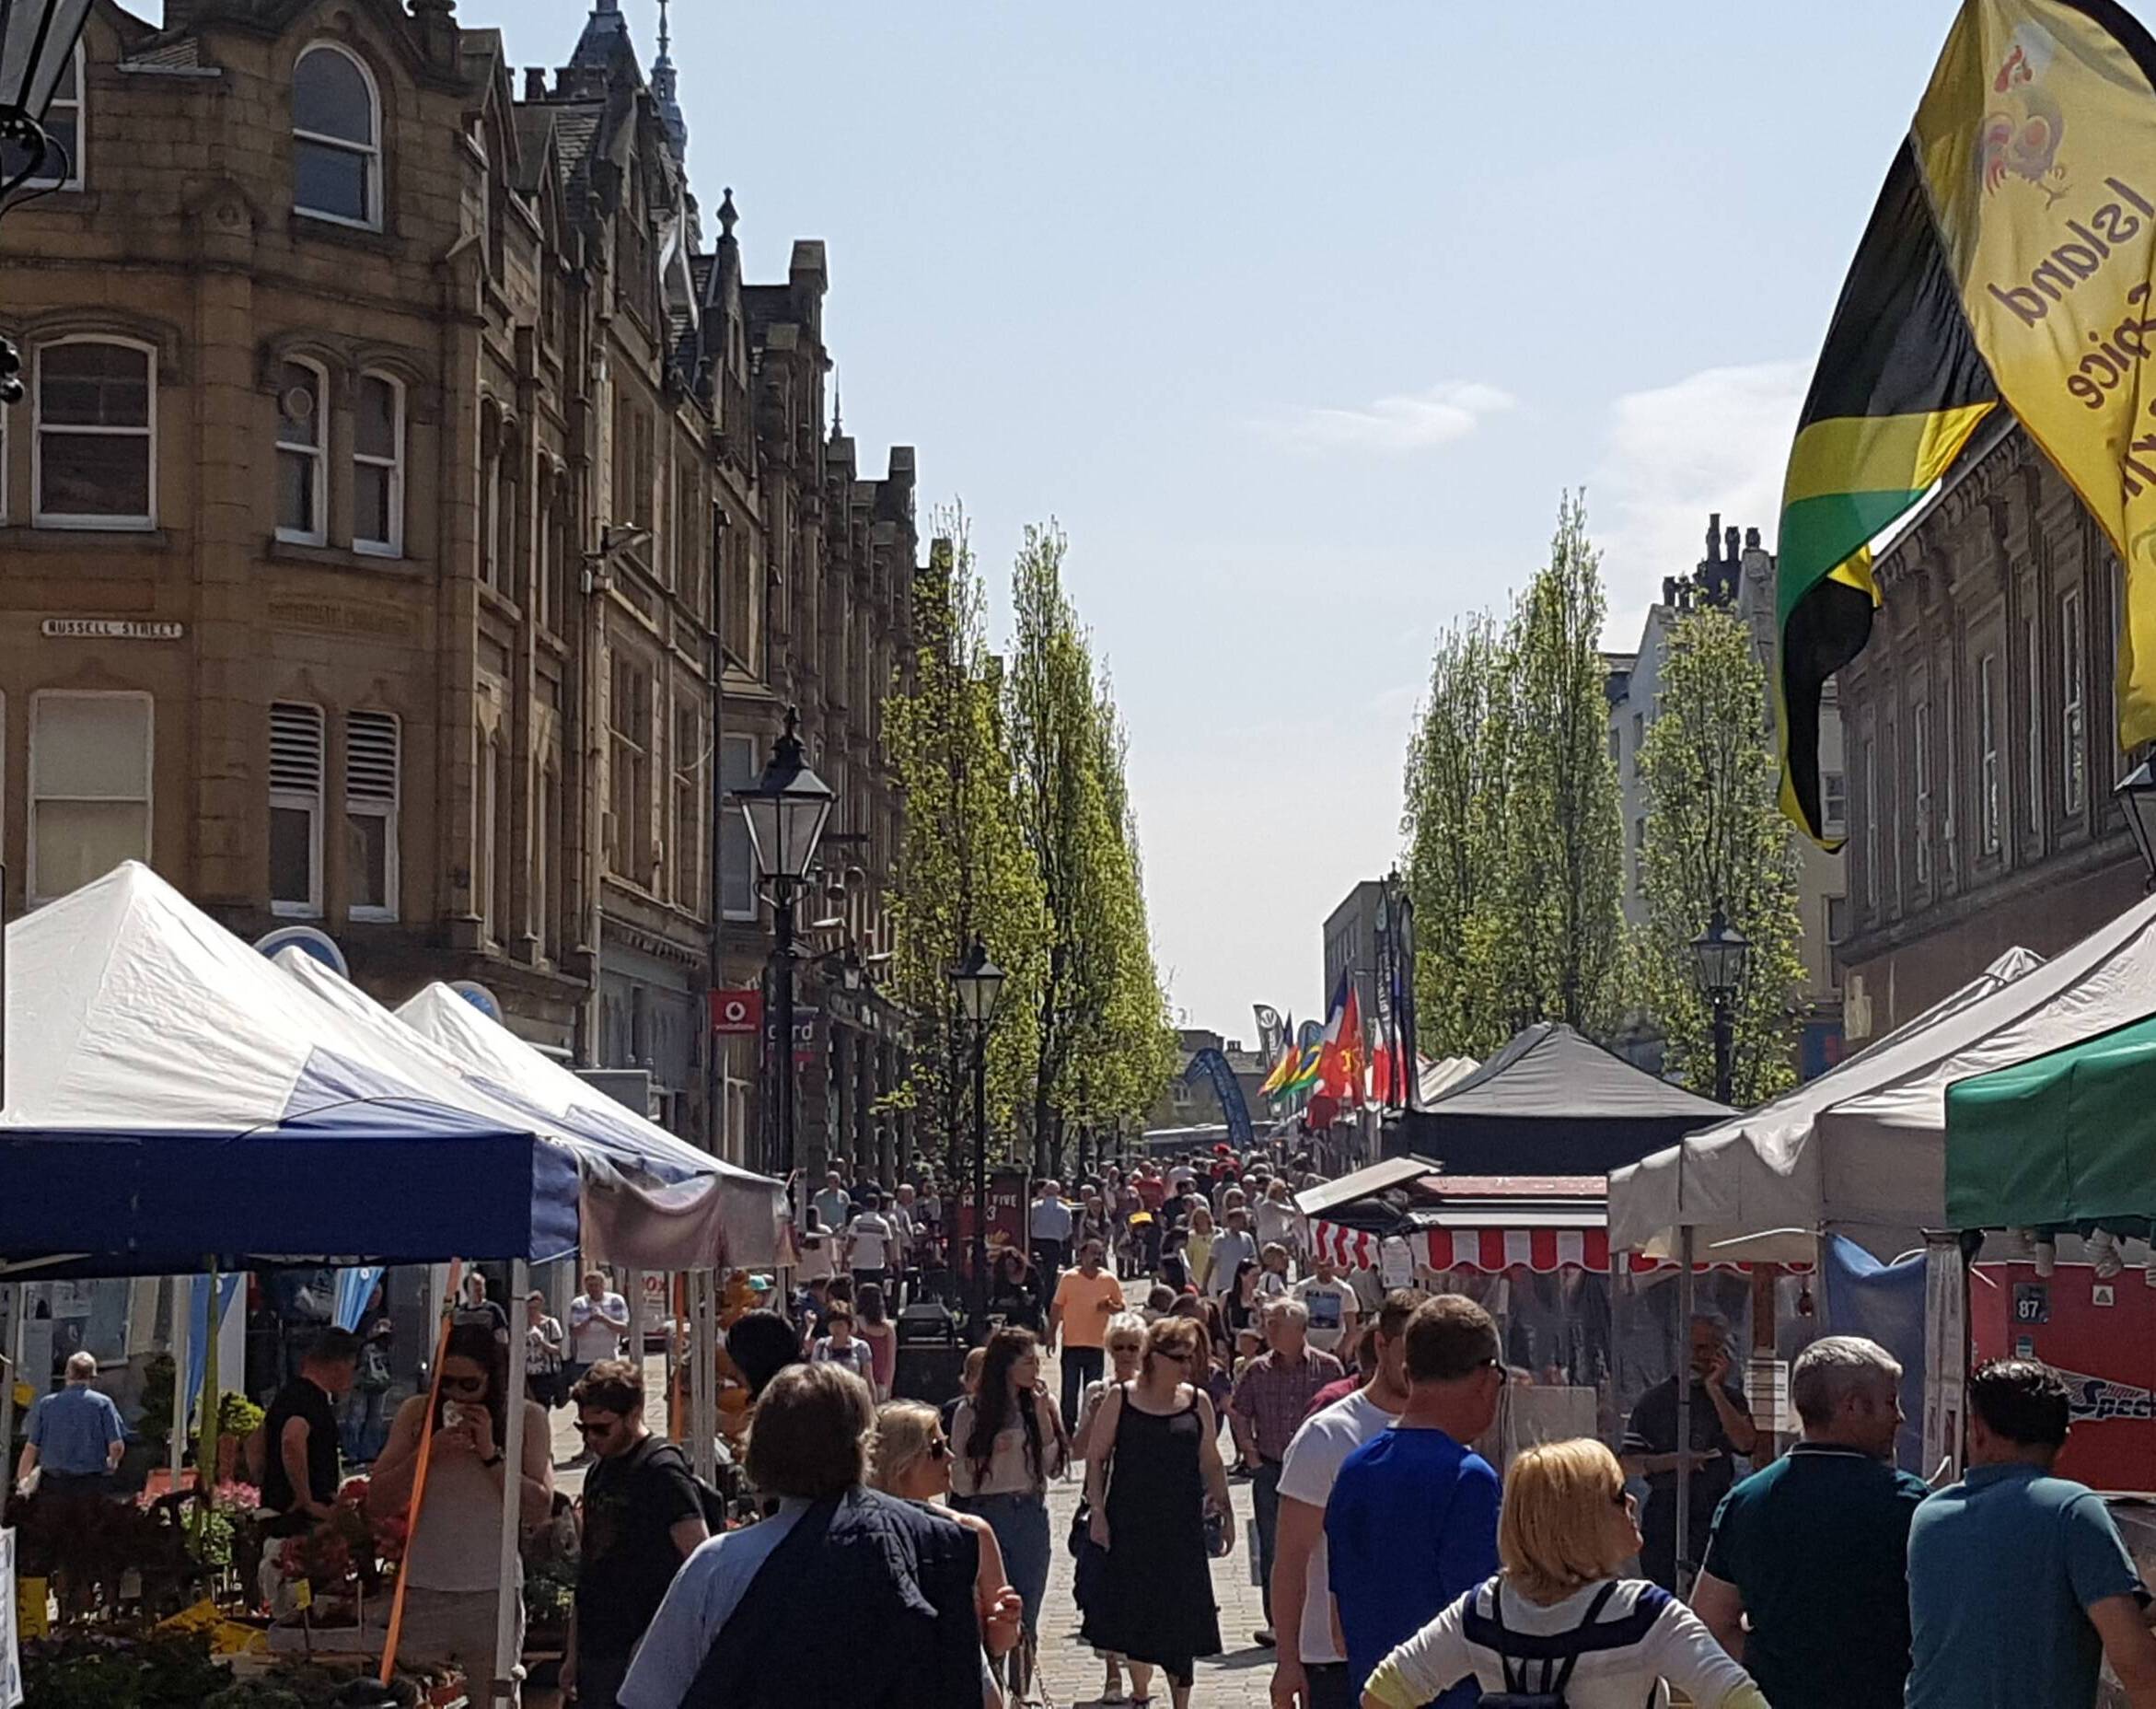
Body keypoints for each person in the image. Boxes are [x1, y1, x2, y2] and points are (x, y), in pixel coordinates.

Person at [620, 1364, 1000, 1709]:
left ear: (760, 1451)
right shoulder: (929, 1545)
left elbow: (647, 1698)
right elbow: (982, 1696)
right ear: (864, 1446)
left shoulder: (718, 1567)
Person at [1361, 1438, 1768, 1709]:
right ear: (1580, 1520)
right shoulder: (1642, 1614)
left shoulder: (1483, 1609)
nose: (1631, 1500)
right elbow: (1739, 1699)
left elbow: (1381, 1695)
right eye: (1615, 1494)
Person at [1691, 1335, 1929, 1709]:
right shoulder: (1910, 1505)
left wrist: (1772, 1668)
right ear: (1852, 1407)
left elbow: (1709, 1622)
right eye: (1889, 1402)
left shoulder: (1746, 1502)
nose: (1900, 1416)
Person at [1904, 1358, 2156, 1709]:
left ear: (1976, 1429)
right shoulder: (2073, 1509)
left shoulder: (1929, 1517)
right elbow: (2136, 1665)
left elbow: (2005, 1612)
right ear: (2064, 1441)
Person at [1327, 1294, 1504, 1705]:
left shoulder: (1354, 1469)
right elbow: (1481, 1628)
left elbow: (1339, 1627)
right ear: (1486, 1379)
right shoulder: (1468, 1478)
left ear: (1407, 1374)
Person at [367, 1324, 553, 1681]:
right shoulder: (416, 1414)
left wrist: (490, 1456)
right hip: (424, 1588)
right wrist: (426, 1455)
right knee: (415, 1695)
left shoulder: (526, 1418)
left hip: (491, 1592)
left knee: (495, 1698)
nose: (457, 1395)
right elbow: (378, 1501)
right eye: (446, 1383)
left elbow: (538, 1509)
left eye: (470, 1385)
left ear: (492, 1379)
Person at [1269, 1290, 1417, 1709]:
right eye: (1409, 1350)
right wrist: (1287, 1663)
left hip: (1425, 1655)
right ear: (1381, 1346)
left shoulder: (1450, 1430)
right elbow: (1291, 1558)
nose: (1417, 1367)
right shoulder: (1329, 1435)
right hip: (1335, 1661)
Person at [1082, 1316, 1234, 1709]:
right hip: (1130, 1524)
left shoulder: (1197, 1401)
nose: (1187, 1365)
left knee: (1181, 1617)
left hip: (1181, 1527)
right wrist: (1097, 1512)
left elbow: (1212, 1462)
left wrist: (1226, 1510)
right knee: (1136, 1616)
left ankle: (1181, 1702)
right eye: (1179, 1357)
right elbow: (1097, 1458)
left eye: (1191, 1357)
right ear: (1156, 1357)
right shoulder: (1123, 1398)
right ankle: (1140, 1692)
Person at [564, 1359, 711, 1709]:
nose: (591, 1439)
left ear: (633, 1414)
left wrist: (657, 1641)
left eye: (601, 1428)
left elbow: (701, 1562)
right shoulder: (599, 1471)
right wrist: (572, 1652)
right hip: (598, 1646)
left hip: (642, 1648)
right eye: (582, 1428)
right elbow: (590, 1568)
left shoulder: (661, 1471)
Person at [950, 1326, 1069, 1696]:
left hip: (1030, 1513)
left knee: (1026, 1614)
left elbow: (1054, 1467)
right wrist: (990, 1455)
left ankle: (1020, 1696)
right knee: (992, 1615)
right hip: (990, 1513)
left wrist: (1044, 1418)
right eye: (1028, 1361)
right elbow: (959, 1482)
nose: (1036, 1369)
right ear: (1005, 1366)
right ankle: (991, 1693)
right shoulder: (970, 1412)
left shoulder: (1037, 1404)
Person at [871, 1401, 1026, 1668]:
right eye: (937, 1449)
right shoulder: (862, 1534)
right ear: (901, 1461)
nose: (951, 1457)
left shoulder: (972, 1532)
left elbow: (1000, 1643)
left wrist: (1007, 1622)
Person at [1231, 1299, 1346, 1646]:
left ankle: (1318, 1616)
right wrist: (1249, 1452)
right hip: (1271, 1467)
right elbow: (1239, 1412)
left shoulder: (1328, 1369)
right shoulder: (1257, 1370)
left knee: (1320, 1544)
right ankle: (1278, 1624)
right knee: (1272, 1546)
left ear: (1300, 1330)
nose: (1269, 1330)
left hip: (1318, 1470)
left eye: (1277, 1325)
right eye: (1268, 1324)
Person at [1619, 1312, 1757, 1590]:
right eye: (1693, 1348)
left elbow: (1745, 1443)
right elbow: (1627, 1462)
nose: (1699, 1357)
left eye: (1707, 1349)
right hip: (1666, 1513)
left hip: (1712, 1511)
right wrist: (1674, 1462)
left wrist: (1714, 1390)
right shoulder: (1655, 1401)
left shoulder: (1731, 1399)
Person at [1073, 1313, 1152, 1706]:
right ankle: (1111, 1672)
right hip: (1103, 1499)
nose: (1124, 1355)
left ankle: (1140, 1665)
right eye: (1118, 1347)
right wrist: (1095, 1414)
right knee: (1102, 1587)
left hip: (1142, 1502)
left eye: (1131, 1348)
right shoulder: (1098, 1390)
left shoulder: (1152, 1392)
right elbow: (1079, 1450)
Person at [259, 1328, 361, 1534]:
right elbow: (292, 1439)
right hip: (302, 1520)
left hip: (277, 1508)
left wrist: (263, 1478)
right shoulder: (311, 1401)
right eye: (353, 1367)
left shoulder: (287, 1394)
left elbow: (255, 1439)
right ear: (340, 1365)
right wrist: (306, 1499)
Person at [15, 1349, 124, 1498]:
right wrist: (112, 1463)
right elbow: (116, 1446)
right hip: (91, 1484)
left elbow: (31, 1448)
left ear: (67, 1373)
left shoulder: (47, 1404)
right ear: (93, 1377)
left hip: (53, 1485)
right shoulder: (103, 1404)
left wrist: (22, 1481)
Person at [1049, 1238, 1127, 1431]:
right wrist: (1051, 1334)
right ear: (1081, 1255)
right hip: (1071, 1343)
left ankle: (1089, 1427)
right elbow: (1057, 1307)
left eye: (1100, 1253)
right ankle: (1067, 1428)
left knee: (1093, 1391)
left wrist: (1110, 1307)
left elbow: (1122, 1307)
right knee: (1069, 1391)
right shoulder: (1069, 1278)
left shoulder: (1109, 1279)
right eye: (1093, 1253)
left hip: (1096, 1344)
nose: (1096, 1258)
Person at [343, 1287, 396, 1463]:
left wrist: (386, 1332)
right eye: (372, 1294)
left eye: (377, 1295)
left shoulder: (383, 1315)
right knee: (355, 1414)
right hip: (360, 1370)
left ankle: (370, 1452)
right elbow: (350, 1341)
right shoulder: (356, 1316)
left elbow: (391, 1344)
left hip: (379, 1372)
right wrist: (369, 1335)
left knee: (376, 1415)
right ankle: (351, 1451)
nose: (374, 1298)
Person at [567, 1269, 632, 1392]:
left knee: (608, 1393)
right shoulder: (579, 1303)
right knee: (586, 1394)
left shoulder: (615, 1301)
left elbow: (624, 1329)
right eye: (590, 1286)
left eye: (596, 1285)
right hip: (585, 1360)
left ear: (603, 1285)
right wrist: (589, 1320)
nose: (594, 1289)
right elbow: (574, 1332)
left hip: (609, 1358)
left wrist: (604, 1319)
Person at [1293, 1254, 1361, 1359]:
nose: (1325, 1270)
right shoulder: (1302, 1288)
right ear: (1315, 1266)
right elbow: (1294, 1321)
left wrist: (1339, 1351)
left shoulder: (1345, 1290)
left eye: (1328, 1265)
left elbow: (1351, 1327)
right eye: (1321, 1266)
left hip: (1334, 1349)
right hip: (1308, 1349)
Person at [524, 1289, 567, 1410]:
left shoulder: (550, 1323)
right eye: (530, 1308)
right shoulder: (520, 1324)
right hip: (525, 1374)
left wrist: (542, 1342)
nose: (532, 1312)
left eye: (535, 1308)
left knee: (542, 1406)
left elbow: (557, 1349)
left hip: (544, 1374)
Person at [855, 1284, 898, 1402]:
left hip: (860, 1378)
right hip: (881, 1379)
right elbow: (891, 1359)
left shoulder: (856, 1323)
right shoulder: (888, 1327)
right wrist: (889, 1385)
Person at [847, 1191, 897, 1293]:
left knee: (859, 1292)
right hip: (876, 1264)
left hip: (858, 1264)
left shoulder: (857, 1221)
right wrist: (890, 1263)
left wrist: (846, 1259)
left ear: (864, 1205)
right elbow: (886, 1244)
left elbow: (851, 1241)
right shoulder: (883, 1224)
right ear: (877, 1206)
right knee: (876, 1291)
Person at [811, 1308, 875, 1385]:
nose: (836, 1328)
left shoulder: (861, 1347)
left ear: (849, 1326)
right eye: (832, 1324)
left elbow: (868, 1379)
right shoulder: (821, 1346)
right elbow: (814, 1376)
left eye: (840, 1325)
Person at [1205, 1205, 1258, 1298]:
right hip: (1224, 1286)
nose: (1239, 1224)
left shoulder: (1247, 1238)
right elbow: (1210, 1263)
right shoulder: (1220, 1239)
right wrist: (1204, 1285)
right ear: (1229, 1222)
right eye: (1236, 1221)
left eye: (1241, 1221)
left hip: (1244, 1287)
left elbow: (1253, 1261)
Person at [1028, 1178, 1074, 1281]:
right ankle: (1049, 1294)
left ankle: (1039, 1292)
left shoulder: (1034, 1207)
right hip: (1054, 1244)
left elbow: (1029, 1224)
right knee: (1051, 1272)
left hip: (1037, 1242)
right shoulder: (1065, 1210)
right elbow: (1068, 1231)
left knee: (1037, 1271)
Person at [454, 1269, 511, 1345]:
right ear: (467, 1290)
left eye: (481, 1288)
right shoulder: (460, 1312)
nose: (480, 1292)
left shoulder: (493, 1310)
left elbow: (502, 1339)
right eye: (475, 1289)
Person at [812, 1168, 854, 1238]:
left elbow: (848, 1213)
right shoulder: (819, 1196)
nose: (835, 1184)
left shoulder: (844, 1196)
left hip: (840, 1232)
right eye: (832, 1181)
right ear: (827, 1182)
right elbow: (814, 1214)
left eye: (837, 1181)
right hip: (824, 1232)